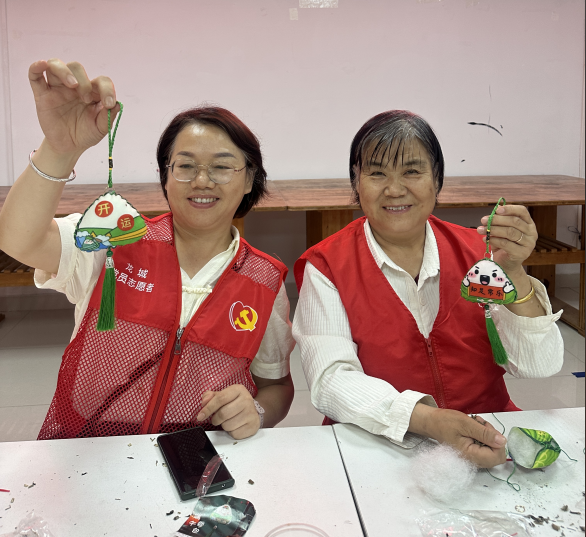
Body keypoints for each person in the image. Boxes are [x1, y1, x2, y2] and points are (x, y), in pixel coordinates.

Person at [0, 59, 295, 440]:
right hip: (89, 448)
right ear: (165, 177)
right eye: (185, 166)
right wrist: (59, 149)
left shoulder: (264, 280)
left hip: (197, 455)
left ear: (250, 179)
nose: (202, 181)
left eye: (222, 167)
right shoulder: (115, 239)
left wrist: (257, 411)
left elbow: (276, 386)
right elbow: (19, 240)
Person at [293, 110, 564, 469]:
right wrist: (427, 419)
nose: (394, 189)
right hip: (380, 442)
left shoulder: (480, 257)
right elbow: (331, 381)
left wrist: (514, 270)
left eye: (412, 171)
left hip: (486, 435)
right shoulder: (328, 265)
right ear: (356, 182)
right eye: (377, 173)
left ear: (437, 179)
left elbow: (539, 366)